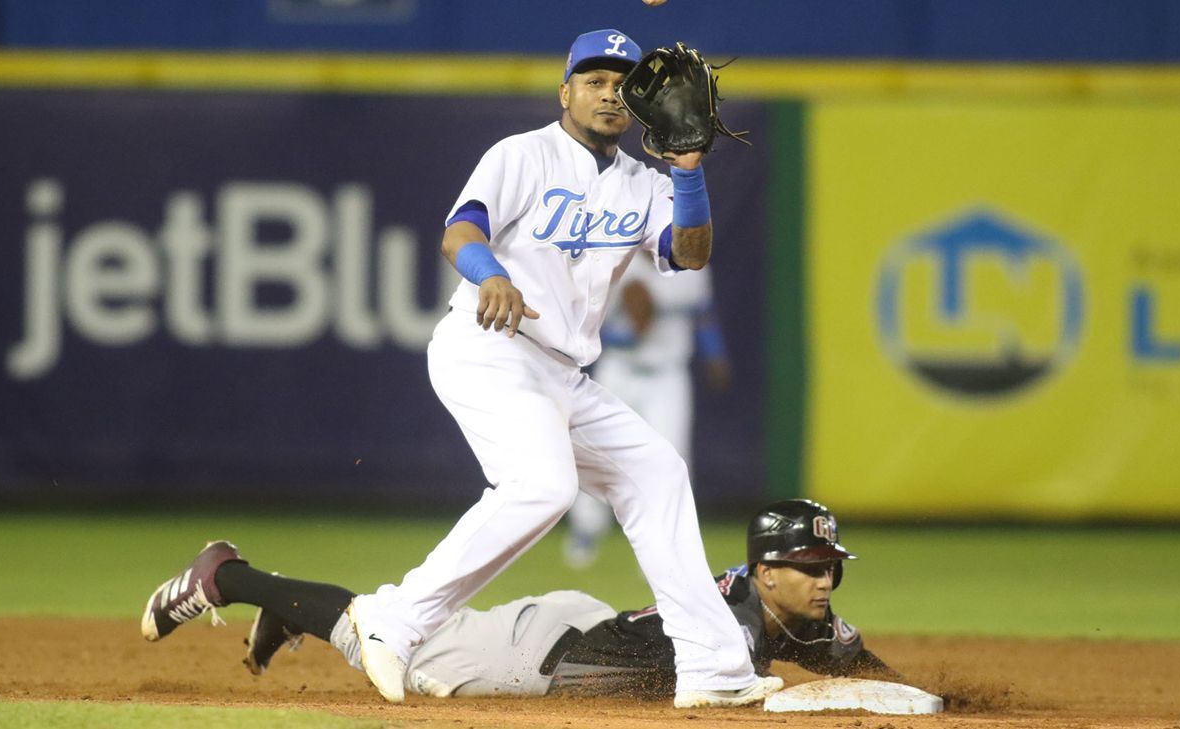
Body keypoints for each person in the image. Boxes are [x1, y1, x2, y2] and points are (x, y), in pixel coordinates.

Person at [141, 27, 778, 709]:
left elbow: (689, 253)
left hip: (563, 371)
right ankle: (393, 618)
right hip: (488, 346)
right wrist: (492, 273)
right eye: (592, 80)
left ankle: (713, 666)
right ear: (563, 91)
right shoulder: (523, 154)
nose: (607, 93)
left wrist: (687, 168)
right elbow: (461, 228)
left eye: (621, 84)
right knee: (541, 485)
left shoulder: (643, 184)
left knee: (655, 472)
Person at [141, 499, 894, 698]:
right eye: (808, 564)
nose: (824, 579)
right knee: (378, 641)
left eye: (830, 564)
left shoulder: (789, 613)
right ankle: (225, 577)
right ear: (766, 572)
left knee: (377, 628)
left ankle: (293, 607)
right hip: (534, 656)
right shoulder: (731, 626)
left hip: (579, 622)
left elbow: (866, 673)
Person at [565, 251, 731, 568]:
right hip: (619, 372)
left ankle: (669, 546)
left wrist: (715, 352)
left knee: (672, 459)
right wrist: (627, 336)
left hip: (668, 375)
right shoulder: (613, 262)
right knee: (595, 450)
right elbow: (588, 328)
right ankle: (586, 530)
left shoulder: (692, 266)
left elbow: (704, 314)